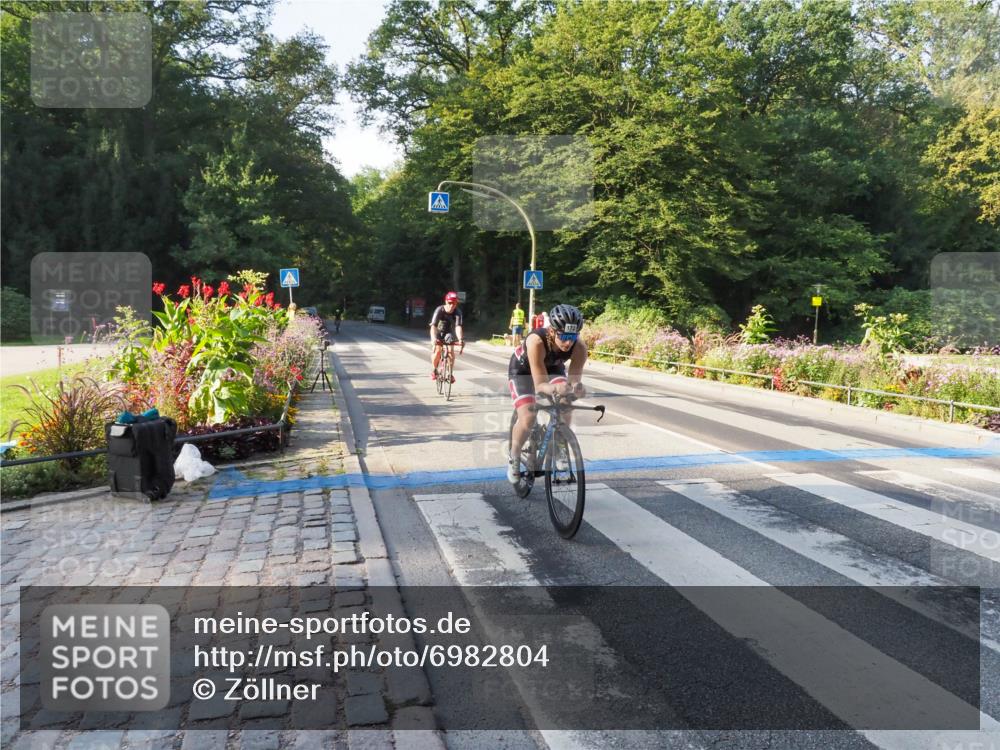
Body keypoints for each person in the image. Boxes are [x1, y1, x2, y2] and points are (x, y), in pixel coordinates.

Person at [507, 304, 588, 483]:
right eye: (564, 336)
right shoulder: (536, 341)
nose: (568, 342)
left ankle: (560, 445)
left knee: (566, 401)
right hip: (523, 371)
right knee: (528, 417)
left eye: (572, 337)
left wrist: (576, 388)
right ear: (552, 331)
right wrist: (555, 388)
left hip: (552, 368)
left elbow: (574, 382)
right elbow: (540, 385)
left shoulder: (579, 347)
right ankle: (514, 456)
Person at [430, 291, 464, 381]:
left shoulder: (457, 312)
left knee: (450, 351)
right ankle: (434, 370)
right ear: (446, 301)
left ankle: (450, 374)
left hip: (449, 333)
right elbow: (433, 326)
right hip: (438, 332)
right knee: (437, 351)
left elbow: (458, 326)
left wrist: (460, 339)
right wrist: (433, 339)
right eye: (450, 303)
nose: (452, 305)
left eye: (454, 303)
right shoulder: (439, 310)